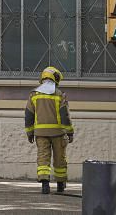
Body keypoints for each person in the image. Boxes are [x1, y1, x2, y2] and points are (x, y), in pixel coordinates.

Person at [25, 66, 73, 194]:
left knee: (43, 158)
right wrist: (70, 132)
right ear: (55, 79)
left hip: (40, 134)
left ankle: (45, 185)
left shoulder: (33, 95)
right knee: (60, 159)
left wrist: (30, 132)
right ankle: (60, 185)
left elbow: (29, 115)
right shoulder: (59, 95)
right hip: (58, 133)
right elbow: (65, 116)